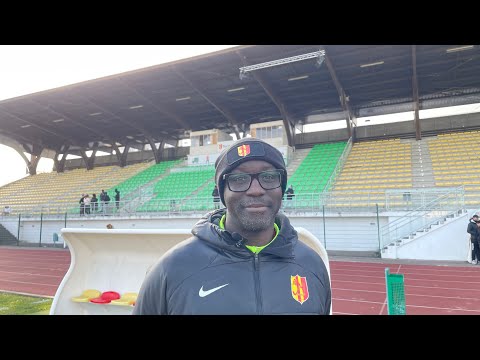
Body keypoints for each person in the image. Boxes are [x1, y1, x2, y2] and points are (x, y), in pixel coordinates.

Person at [133, 137, 331, 315]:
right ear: (222, 192)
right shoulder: (171, 268)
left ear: (281, 187)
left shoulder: (312, 265)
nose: (256, 190)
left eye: (269, 177)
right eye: (239, 179)